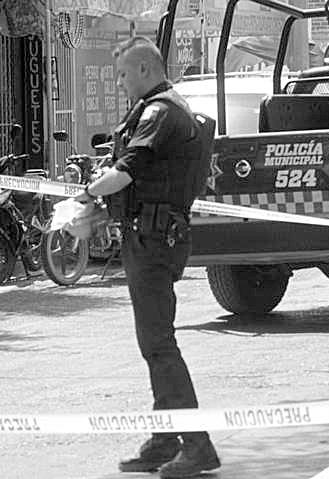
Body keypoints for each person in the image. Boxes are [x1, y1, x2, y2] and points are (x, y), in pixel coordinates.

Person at [74, 36, 220, 478]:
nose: (119, 82)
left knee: (159, 344)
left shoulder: (161, 112)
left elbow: (127, 171)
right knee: (154, 343)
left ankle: (197, 445)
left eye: (123, 74)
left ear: (144, 70)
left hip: (155, 242)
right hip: (150, 237)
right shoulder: (159, 108)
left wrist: (85, 193)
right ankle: (165, 439)